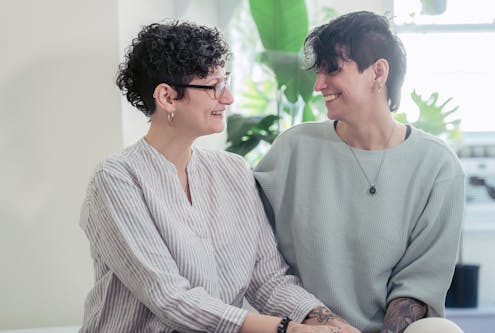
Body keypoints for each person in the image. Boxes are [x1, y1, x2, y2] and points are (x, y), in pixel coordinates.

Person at [78, 21, 360, 333]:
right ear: (167, 97)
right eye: (215, 87)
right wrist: (288, 330)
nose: (228, 99)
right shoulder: (116, 179)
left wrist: (329, 322)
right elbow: (169, 298)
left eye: (225, 83)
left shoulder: (233, 171)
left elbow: (268, 280)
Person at [254, 11, 465, 333]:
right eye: (318, 72)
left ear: (378, 72)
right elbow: (258, 256)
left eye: (332, 70)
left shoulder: (437, 165)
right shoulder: (292, 150)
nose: (318, 85)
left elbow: (419, 284)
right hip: (306, 326)